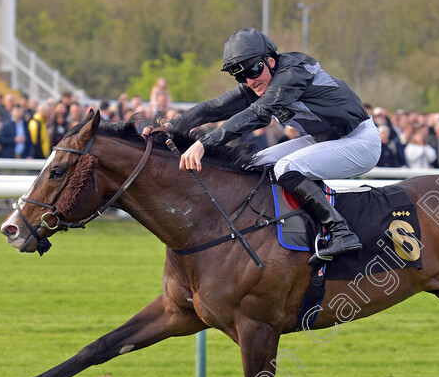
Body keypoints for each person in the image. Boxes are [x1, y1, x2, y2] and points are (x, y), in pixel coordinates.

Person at [144, 28, 380, 263]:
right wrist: (171, 126)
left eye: (253, 70)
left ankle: (341, 231)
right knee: (255, 164)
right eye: (241, 76)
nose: (250, 80)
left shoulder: (292, 73)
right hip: (327, 139)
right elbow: (214, 107)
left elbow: (258, 114)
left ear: (270, 61)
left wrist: (204, 143)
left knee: (286, 168)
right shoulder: (261, 80)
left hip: (360, 140)